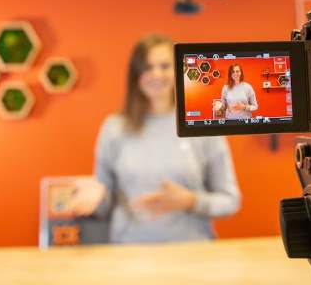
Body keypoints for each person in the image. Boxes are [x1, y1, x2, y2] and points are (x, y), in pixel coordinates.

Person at [68, 34, 241, 243]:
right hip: (129, 250)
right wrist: (93, 198)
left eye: (165, 66)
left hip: (193, 249)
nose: (156, 74)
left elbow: (230, 200)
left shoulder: (202, 124)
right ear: (136, 74)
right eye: (147, 67)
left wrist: (190, 201)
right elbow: (104, 198)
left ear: (178, 70)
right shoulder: (114, 128)